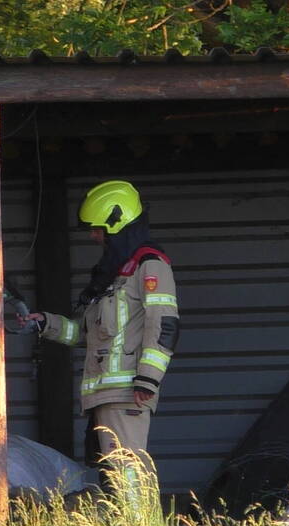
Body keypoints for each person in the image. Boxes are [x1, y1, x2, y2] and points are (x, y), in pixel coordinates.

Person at [26, 180, 179, 491]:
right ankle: (125, 522)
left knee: (128, 472)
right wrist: (46, 323)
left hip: (127, 392)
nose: (93, 236)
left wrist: (148, 379)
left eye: (97, 229)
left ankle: (138, 524)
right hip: (105, 395)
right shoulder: (114, 275)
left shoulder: (150, 267)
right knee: (113, 475)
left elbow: (164, 324)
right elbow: (84, 333)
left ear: (116, 224)